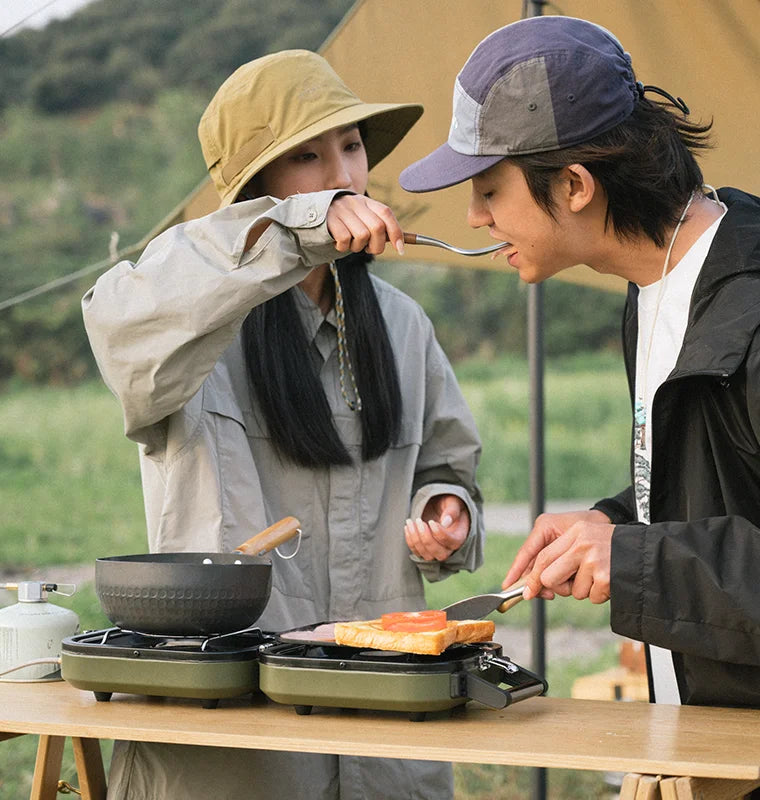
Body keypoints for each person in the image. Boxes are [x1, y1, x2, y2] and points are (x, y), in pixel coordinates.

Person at [82, 49, 485, 799]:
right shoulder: (193, 329)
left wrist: (446, 510)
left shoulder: (403, 326)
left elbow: (447, 467)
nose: (344, 173)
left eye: (352, 146)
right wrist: (294, 230)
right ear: (259, 190)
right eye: (306, 157)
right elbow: (116, 320)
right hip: (238, 744)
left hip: (384, 730)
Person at [400, 15, 760, 711]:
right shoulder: (653, 287)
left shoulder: (751, 302)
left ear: (572, 186)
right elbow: (725, 494)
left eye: (489, 190)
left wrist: (633, 560)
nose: (474, 218)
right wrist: (614, 525)